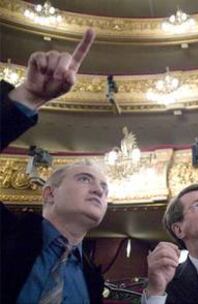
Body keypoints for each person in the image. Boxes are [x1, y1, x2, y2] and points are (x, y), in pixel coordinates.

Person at [0, 29, 109, 304]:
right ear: (49, 193)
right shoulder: (5, 235)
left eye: (104, 187)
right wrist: (28, 98)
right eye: (85, 179)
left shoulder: (93, 279)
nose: (99, 189)